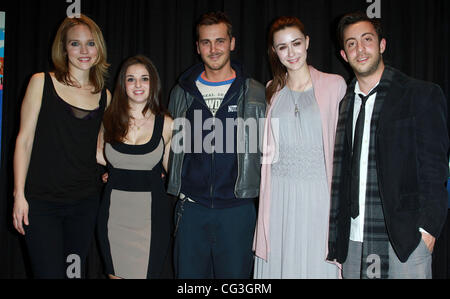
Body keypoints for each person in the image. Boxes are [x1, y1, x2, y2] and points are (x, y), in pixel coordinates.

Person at [327, 12, 449, 279]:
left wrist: (428, 230)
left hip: (404, 239)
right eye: (351, 43)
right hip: (354, 238)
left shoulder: (420, 94)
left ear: (382, 45)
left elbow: (436, 170)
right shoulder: (345, 104)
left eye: (367, 39)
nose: (360, 49)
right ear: (344, 55)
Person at [167, 11, 266, 279]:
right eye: (206, 42)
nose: (214, 49)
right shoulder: (181, 92)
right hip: (191, 209)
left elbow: (269, 151)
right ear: (197, 47)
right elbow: (169, 145)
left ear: (232, 43)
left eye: (220, 41)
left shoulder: (254, 91)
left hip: (237, 210)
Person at [12, 14, 111, 278]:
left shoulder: (106, 96)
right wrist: (18, 195)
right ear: (64, 48)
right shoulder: (41, 82)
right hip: (41, 204)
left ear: (98, 47)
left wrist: (125, 168)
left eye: (90, 43)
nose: (83, 51)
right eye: (75, 44)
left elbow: (101, 151)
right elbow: (24, 140)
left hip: (85, 203)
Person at [253, 16, 347, 279]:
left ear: (307, 43)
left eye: (296, 43)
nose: (291, 52)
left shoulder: (335, 85)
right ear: (274, 51)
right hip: (279, 197)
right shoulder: (272, 90)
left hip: (319, 197)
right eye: (282, 47)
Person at [96, 55, 174, 279]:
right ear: (123, 84)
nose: (138, 85)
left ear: (153, 83)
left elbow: (172, 171)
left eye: (144, 78)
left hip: (151, 219)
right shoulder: (109, 118)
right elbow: (99, 156)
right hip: (113, 217)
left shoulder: (167, 123)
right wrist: (115, 171)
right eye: (131, 79)